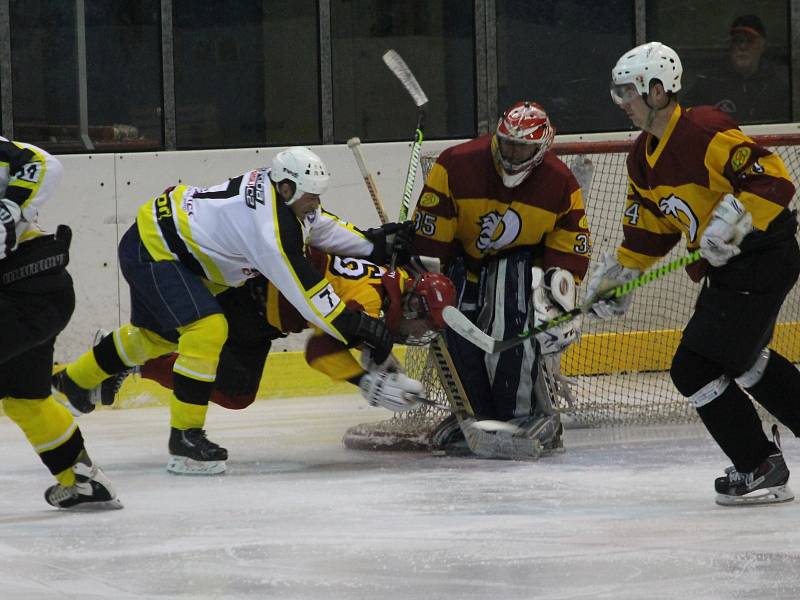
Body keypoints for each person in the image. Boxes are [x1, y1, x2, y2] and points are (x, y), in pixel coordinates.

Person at [52, 146, 409, 475]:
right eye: (311, 194)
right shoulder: (269, 231)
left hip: (163, 244)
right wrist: (355, 325)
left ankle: (74, 383)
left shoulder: (280, 192)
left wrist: (372, 243)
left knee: (155, 338)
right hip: (156, 251)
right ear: (287, 189)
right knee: (207, 329)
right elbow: (309, 296)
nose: (316, 201)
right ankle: (185, 442)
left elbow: (320, 225)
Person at [594, 41, 800, 505]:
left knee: (692, 366)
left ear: (658, 89)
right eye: (618, 92)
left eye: (627, 91)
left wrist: (734, 220)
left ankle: (759, 465)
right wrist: (620, 275)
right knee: (743, 360)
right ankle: (759, 462)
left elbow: (774, 179)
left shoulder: (705, 129)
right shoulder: (640, 159)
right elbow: (649, 230)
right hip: (733, 270)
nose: (621, 102)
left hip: (762, 257)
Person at [407, 101, 592, 459]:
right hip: (464, 263)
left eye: (523, 147)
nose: (513, 152)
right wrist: (424, 291)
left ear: (541, 148)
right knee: (451, 320)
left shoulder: (559, 182)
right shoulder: (455, 164)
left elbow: (568, 251)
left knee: (510, 309)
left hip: (522, 272)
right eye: (508, 143)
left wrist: (557, 304)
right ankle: (476, 415)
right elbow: (431, 245)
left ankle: (519, 416)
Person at [82, 251, 455, 415]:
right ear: (413, 306)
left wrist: (386, 370)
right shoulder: (372, 301)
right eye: (425, 325)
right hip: (245, 298)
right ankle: (119, 355)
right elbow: (319, 351)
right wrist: (366, 381)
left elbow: (365, 336)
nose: (422, 334)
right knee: (192, 345)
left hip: (264, 317)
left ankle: (131, 364)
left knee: (236, 394)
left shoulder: (396, 284)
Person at [0, 137, 121, 510]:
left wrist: (9, 208)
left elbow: (42, 162)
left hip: (29, 290)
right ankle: (82, 479)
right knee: (25, 399)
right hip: (35, 292)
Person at [684, 14, 790, 124]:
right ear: (730, 46)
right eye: (737, 40)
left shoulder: (777, 89)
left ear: (762, 46)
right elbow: (685, 124)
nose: (743, 46)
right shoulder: (707, 84)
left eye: (750, 40)